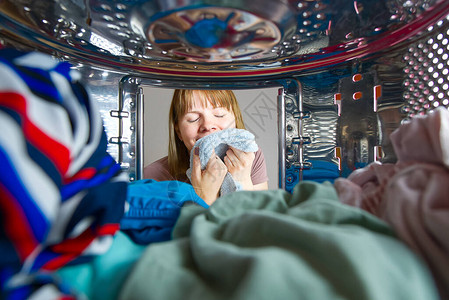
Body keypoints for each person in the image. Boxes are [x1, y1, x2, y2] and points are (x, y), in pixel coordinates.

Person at [144, 89, 268, 204]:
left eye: (219, 114)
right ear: (178, 131)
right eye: (193, 119)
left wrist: (242, 181)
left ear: (235, 119)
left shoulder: (251, 158)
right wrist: (205, 198)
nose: (207, 125)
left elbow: (260, 224)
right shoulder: (154, 177)